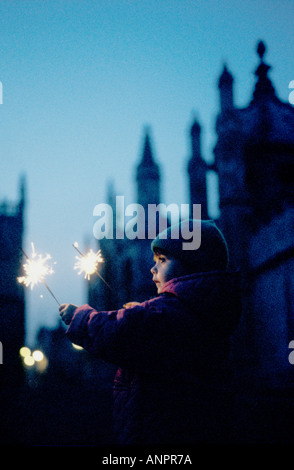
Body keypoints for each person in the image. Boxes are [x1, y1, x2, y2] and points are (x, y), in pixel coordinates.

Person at [59, 219, 241, 446]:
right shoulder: (202, 308)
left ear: (191, 266)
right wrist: (141, 311)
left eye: (162, 260)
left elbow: (120, 332)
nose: (152, 268)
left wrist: (81, 318)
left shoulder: (167, 313)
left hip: (162, 433)